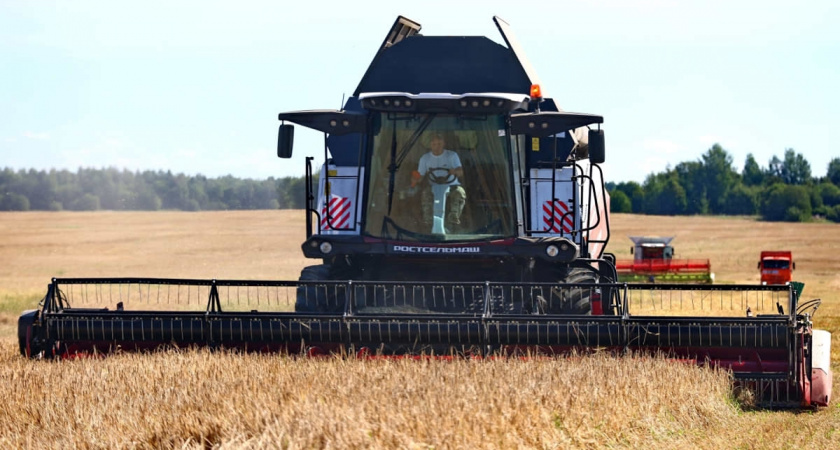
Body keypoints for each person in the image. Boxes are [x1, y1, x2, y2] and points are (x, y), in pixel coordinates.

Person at [414, 132, 467, 229]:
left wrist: (454, 171)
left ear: (443, 144)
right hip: (433, 187)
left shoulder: (452, 156)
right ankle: (428, 219)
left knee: (459, 193)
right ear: (430, 145)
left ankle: (453, 217)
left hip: (452, 186)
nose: (437, 147)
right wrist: (415, 179)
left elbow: (460, 171)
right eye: (434, 144)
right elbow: (419, 174)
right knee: (425, 193)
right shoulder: (425, 158)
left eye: (439, 144)